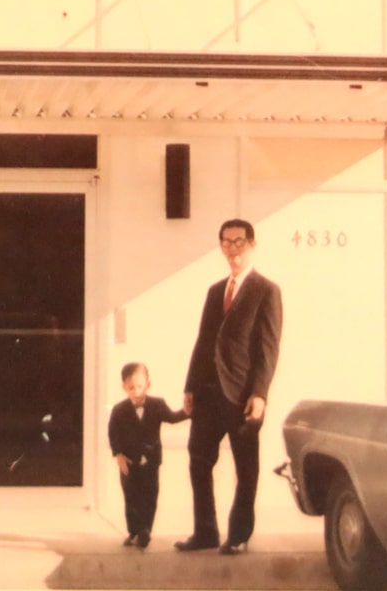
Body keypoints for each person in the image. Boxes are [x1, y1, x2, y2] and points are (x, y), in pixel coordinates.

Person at [175, 218, 283, 555]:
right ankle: (205, 532)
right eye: (227, 242)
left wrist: (260, 394)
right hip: (208, 394)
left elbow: (268, 347)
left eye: (239, 242)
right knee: (198, 461)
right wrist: (190, 387)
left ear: (252, 244)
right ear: (221, 246)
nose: (232, 249)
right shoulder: (214, 291)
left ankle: (238, 536)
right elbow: (203, 342)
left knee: (245, 469)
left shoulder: (267, 291)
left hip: (242, 397)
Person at [108, 361, 189, 549]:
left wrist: (188, 412)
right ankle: (133, 530)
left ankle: (145, 530)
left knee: (150, 494)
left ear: (148, 385)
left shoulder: (157, 404)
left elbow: (172, 417)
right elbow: (113, 433)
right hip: (128, 461)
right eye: (131, 387)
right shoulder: (119, 410)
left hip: (151, 460)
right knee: (130, 496)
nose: (136, 391)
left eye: (139, 386)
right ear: (124, 387)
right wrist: (119, 456)